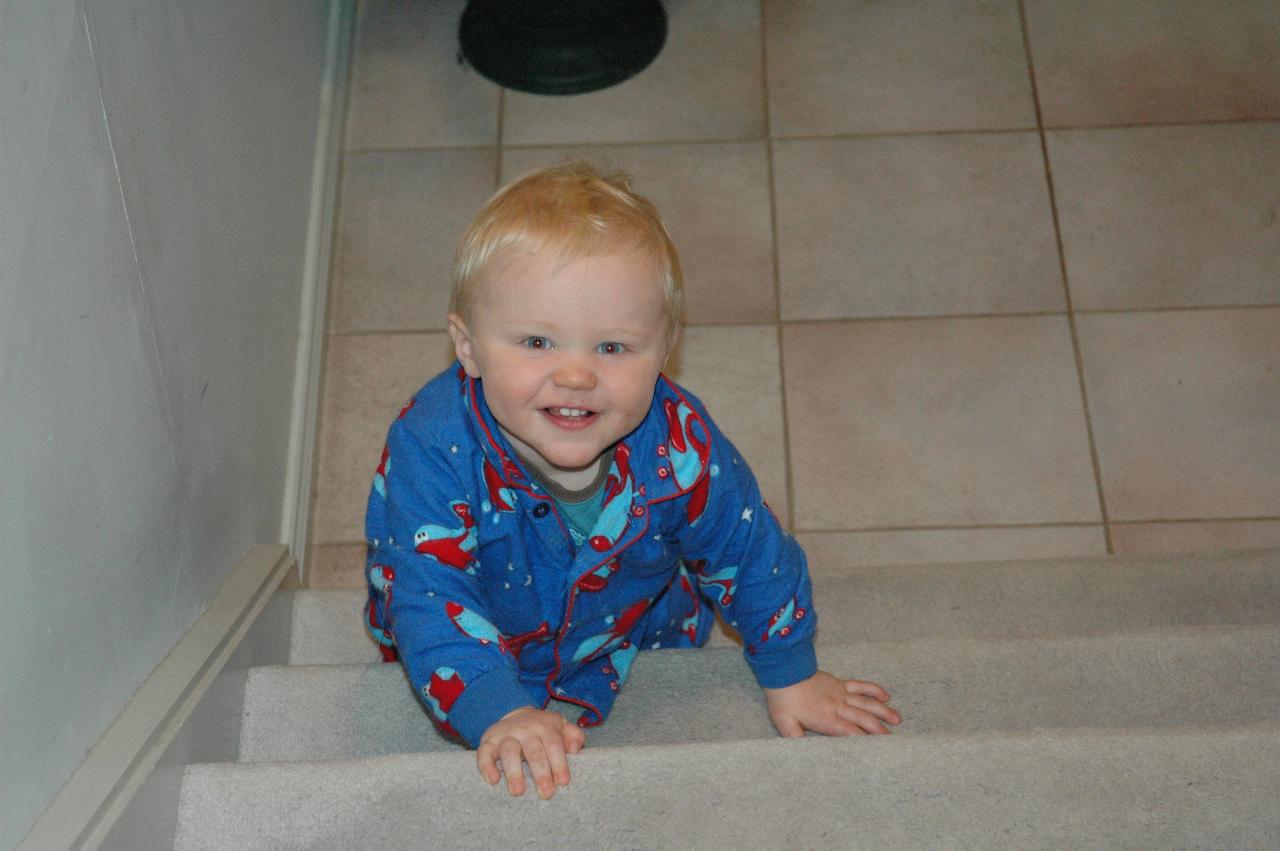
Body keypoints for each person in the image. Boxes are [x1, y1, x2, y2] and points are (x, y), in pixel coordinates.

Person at [363, 162, 900, 800]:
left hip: (622, 621)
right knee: (432, 621)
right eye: (536, 341)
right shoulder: (430, 445)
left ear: (665, 349)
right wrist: (496, 710)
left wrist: (792, 672)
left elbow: (747, 546)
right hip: (474, 633)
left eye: (613, 348)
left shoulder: (680, 441)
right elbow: (428, 590)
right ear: (468, 345)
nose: (576, 376)